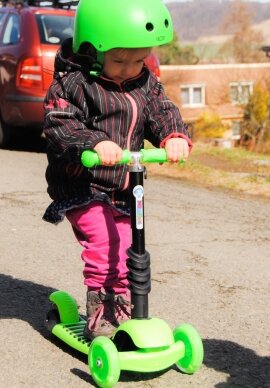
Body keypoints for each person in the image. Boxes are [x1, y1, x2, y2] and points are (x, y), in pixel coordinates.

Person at [42, 0, 192, 340]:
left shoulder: (146, 83)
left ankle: (121, 302)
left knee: (127, 247)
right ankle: (100, 308)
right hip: (82, 184)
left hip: (125, 185)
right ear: (91, 50)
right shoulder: (73, 84)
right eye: (119, 60)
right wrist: (93, 143)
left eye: (139, 60)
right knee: (103, 244)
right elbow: (59, 123)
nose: (129, 69)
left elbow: (161, 111)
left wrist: (173, 136)